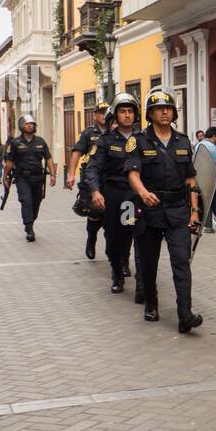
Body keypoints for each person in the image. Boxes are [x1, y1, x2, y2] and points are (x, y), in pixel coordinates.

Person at [125, 90, 203, 332]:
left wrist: (194, 211)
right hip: (150, 210)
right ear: (150, 113)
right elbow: (132, 173)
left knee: (182, 262)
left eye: (168, 108)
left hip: (178, 210)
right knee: (149, 262)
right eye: (159, 109)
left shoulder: (182, 141)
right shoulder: (138, 140)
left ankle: (185, 314)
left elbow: (191, 179)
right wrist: (142, 193)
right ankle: (151, 302)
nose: (165, 112)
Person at [82, 94, 144, 293]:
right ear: (116, 115)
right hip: (114, 194)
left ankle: (136, 274)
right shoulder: (105, 141)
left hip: (135, 195)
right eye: (122, 111)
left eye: (130, 111)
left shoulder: (143, 139)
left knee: (135, 234)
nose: (127, 115)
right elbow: (92, 168)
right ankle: (117, 272)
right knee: (114, 236)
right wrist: (95, 191)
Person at [2, 115, 56, 241]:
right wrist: (5, 177)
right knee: (26, 201)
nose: (31, 126)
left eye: (32, 124)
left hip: (38, 178)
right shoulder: (15, 143)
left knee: (36, 203)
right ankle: (29, 229)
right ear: (22, 126)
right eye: (28, 124)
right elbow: (9, 162)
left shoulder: (41, 142)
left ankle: (30, 222)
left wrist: (53, 174)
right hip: (22, 178)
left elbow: (48, 158)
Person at [68, 101, 110, 261]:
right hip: (92, 179)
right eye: (101, 112)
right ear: (95, 115)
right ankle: (91, 239)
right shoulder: (88, 134)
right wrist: (71, 174)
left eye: (107, 112)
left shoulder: (116, 132)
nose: (104, 115)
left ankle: (117, 256)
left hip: (111, 180)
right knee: (96, 212)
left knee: (112, 219)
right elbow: (76, 153)